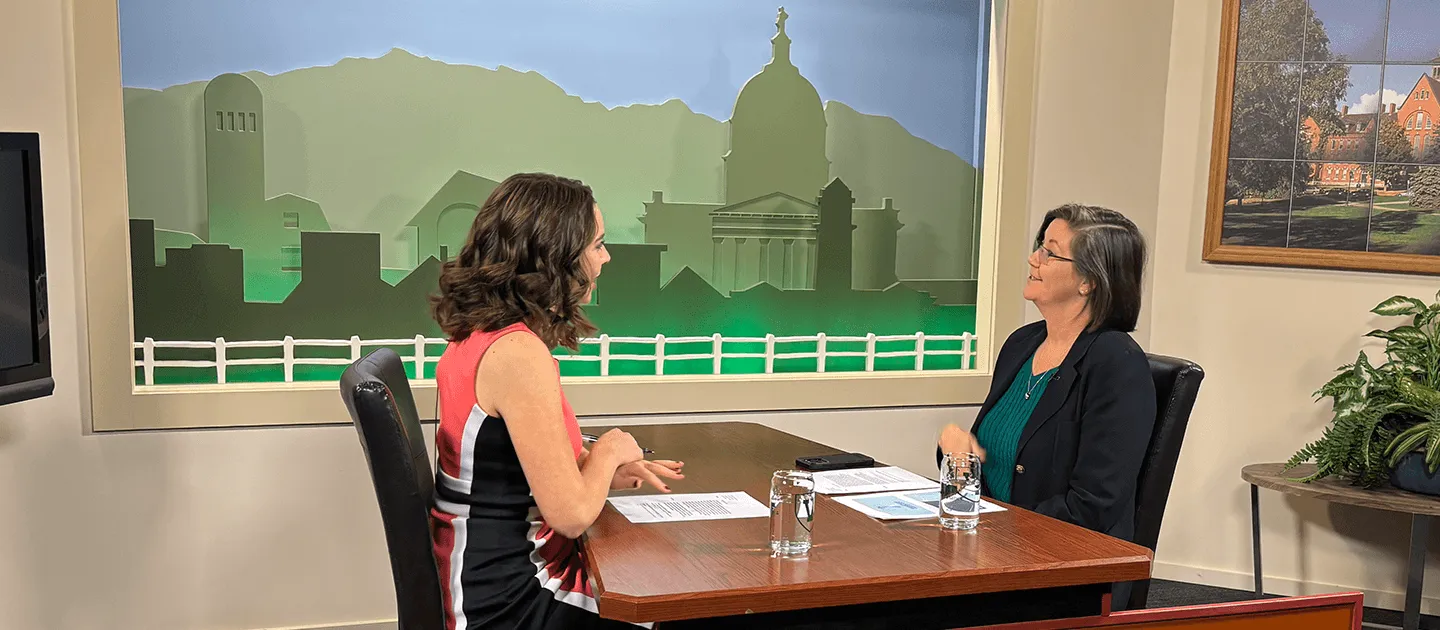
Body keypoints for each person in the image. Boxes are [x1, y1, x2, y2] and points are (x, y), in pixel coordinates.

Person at [428, 172, 682, 629]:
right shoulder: (518, 354)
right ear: (556, 257)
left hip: (482, 583)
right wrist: (607, 451)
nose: (606, 258)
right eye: (598, 244)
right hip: (513, 601)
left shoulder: (476, 337)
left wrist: (600, 472)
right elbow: (568, 516)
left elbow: (508, 473)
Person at [937, 203, 1155, 548]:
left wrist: (995, 537)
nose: (1033, 259)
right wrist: (958, 453)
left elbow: (1092, 508)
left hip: (1062, 567)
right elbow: (992, 471)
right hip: (993, 549)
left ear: (1089, 281)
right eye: (1040, 246)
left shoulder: (1117, 363)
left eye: (1050, 253)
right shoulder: (1022, 343)